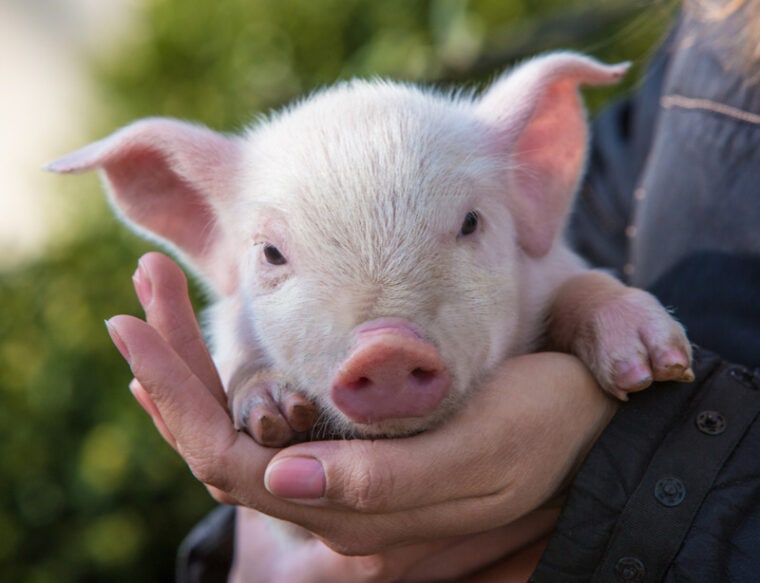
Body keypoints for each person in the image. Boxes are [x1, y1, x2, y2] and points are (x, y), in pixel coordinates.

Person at [105, 1, 760, 580]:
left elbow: (559, 282)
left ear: (533, 165)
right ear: (205, 227)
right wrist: (250, 400)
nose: (385, 331)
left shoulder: (521, 208)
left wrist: (598, 324)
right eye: (274, 255)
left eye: (468, 224)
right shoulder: (712, 57)